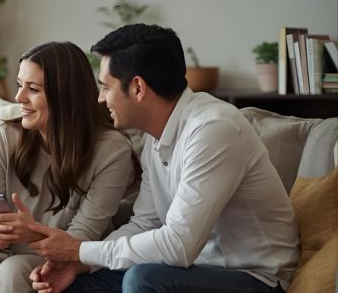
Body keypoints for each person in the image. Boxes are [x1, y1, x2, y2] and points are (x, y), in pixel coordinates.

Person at [29, 24, 300, 293]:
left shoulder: (213, 130)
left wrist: (80, 250)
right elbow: (145, 223)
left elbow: (178, 246)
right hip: (191, 271)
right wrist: (80, 264)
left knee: (143, 279)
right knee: (72, 284)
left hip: (255, 277)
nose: (100, 99)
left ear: (137, 88)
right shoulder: (156, 137)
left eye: (105, 87)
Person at [0, 41, 140, 293]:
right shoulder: (4, 138)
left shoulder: (110, 148)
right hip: (3, 256)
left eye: (32, 89)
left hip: (63, 262)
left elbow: (82, 237)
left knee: (16, 268)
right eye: (19, 86)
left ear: (65, 95)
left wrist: (29, 232)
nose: (19, 98)